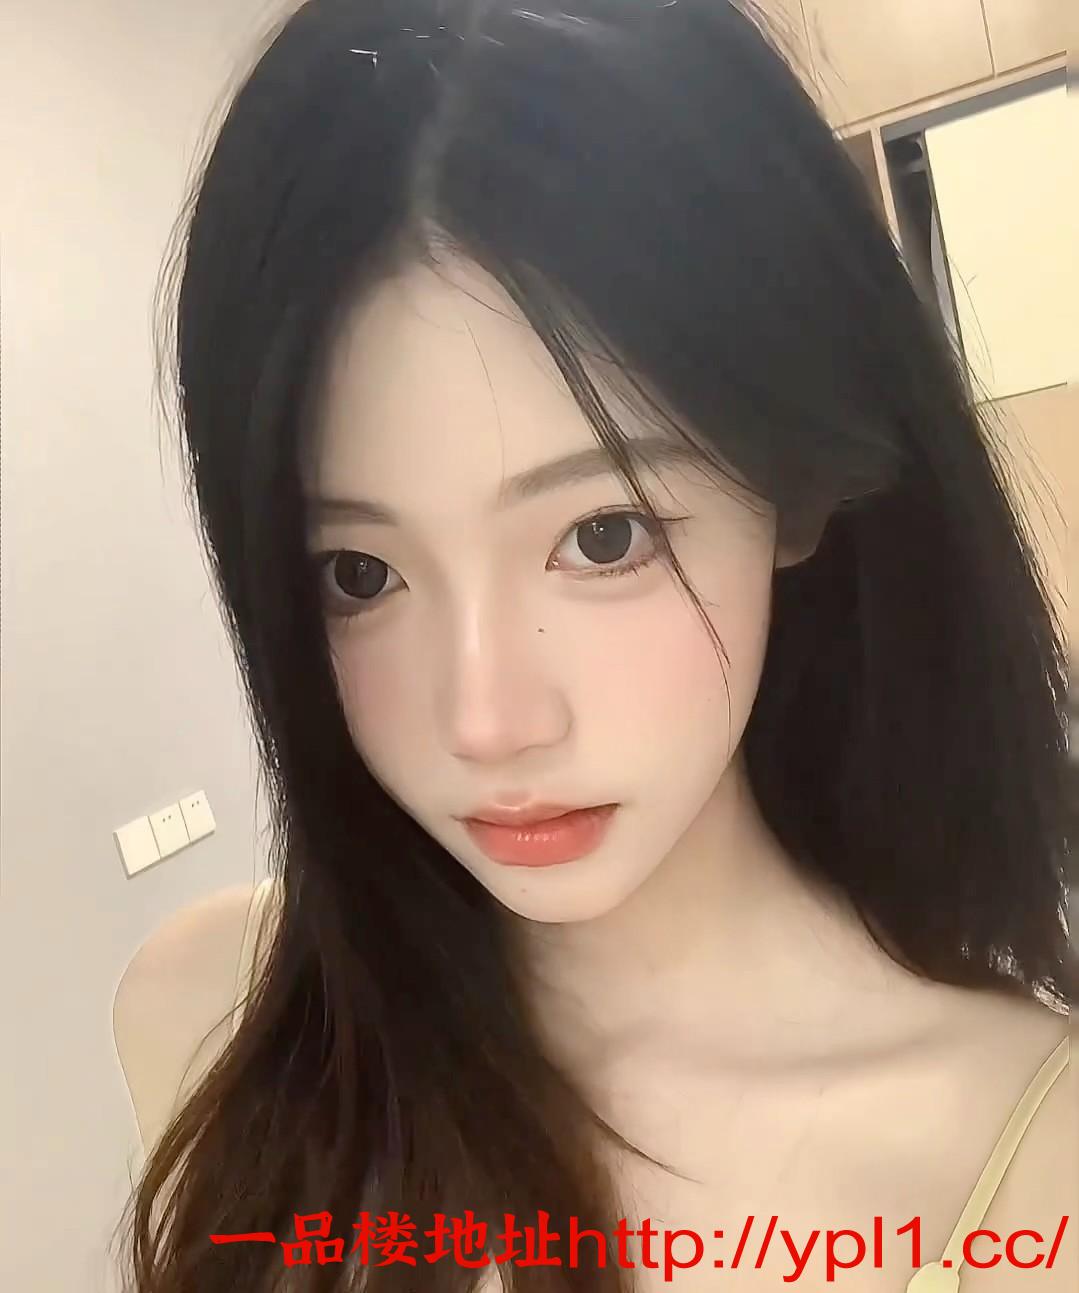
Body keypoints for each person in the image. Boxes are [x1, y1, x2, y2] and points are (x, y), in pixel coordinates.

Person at [111, 1, 1075, 1289]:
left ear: (793, 491)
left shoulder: (1031, 1170)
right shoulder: (205, 1018)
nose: (487, 721)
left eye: (605, 536)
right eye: (360, 573)